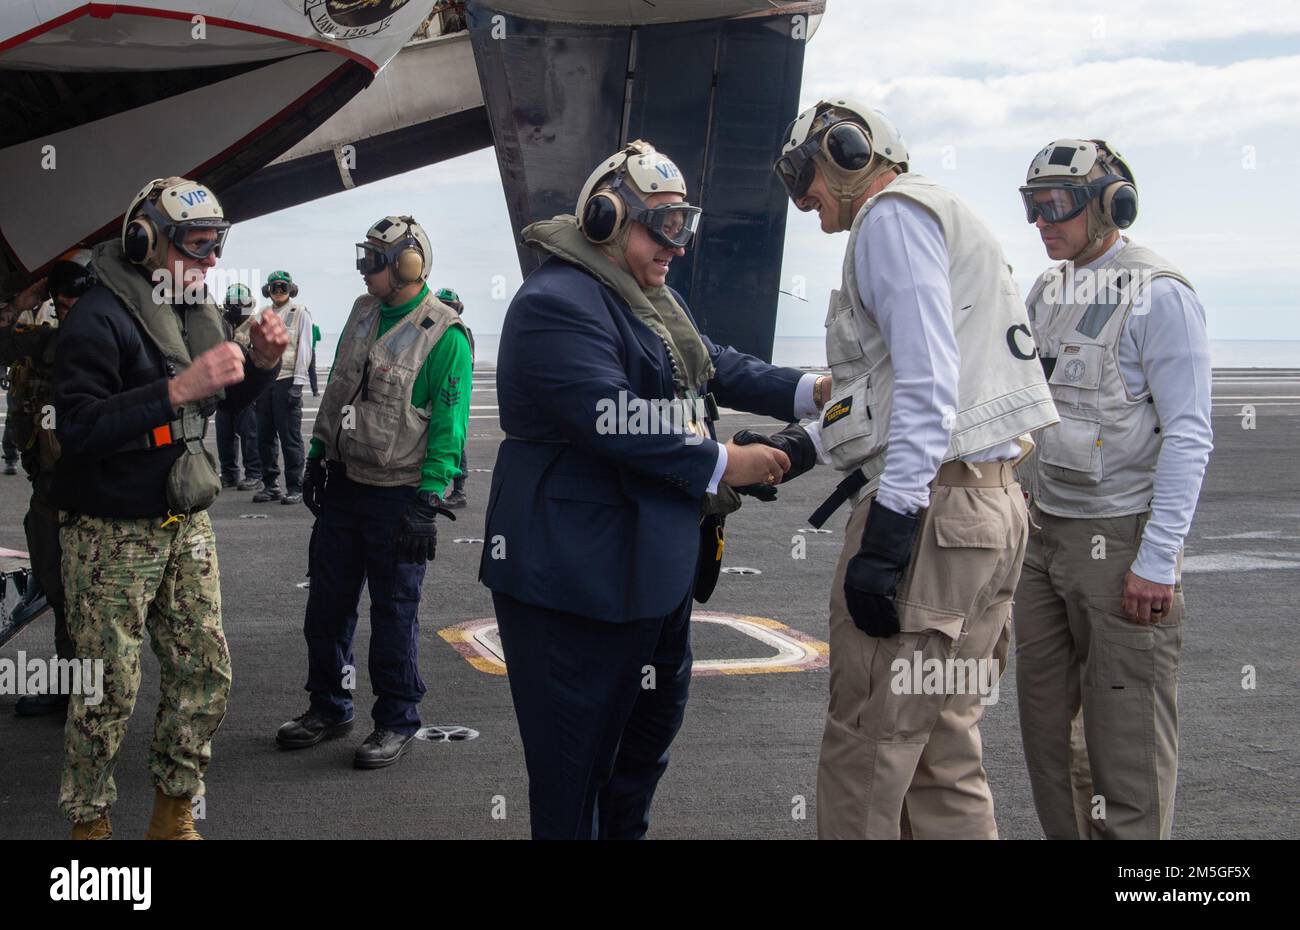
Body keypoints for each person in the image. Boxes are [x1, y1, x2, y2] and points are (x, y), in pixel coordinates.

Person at [481, 140, 826, 839]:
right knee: (573, 778)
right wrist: (726, 462)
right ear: (606, 219)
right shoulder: (556, 302)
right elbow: (616, 418)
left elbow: (710, 364)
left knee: (640, 760)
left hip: (652, 581)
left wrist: (808, 390)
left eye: (683, 227)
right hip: (577, 587)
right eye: (662, 227)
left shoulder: (645, 296)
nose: (678, 246)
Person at [772, 99, 1058, 838]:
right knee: (942, 751)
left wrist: (894, 524)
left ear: (845, 152)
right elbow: (894, 389)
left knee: (870, 743)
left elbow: (929, 381)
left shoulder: (889, 221)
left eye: (803, 177)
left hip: (935, 514)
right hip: (992, 510)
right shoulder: (945, 214)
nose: (802, 200)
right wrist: (805, 444)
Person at [53, 176, 288, 839]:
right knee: (107, 689)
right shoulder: (96, 321)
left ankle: (174, 812)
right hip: (110, 531)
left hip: (184, 519)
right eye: (197, 247)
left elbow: (221, 407)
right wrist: (173, 389)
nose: (211, 262)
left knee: (205, 670)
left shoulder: (193, 312)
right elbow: (76, 430)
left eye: (217, 247)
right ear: (146, 241)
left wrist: (261, 366)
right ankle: (91, 825)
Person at [1013, 139, 1213, 840]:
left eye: (1058, 205)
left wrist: (1157, 561)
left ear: (1111, 205)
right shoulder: (1047, 290)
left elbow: (1189, 435)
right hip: (1044, 541)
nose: (1042, 221)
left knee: (1124, 752)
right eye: (1032, 206)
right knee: (1045, 739)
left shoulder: (1160, 295)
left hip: (1123, 540)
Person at [276, 215, 472, 770]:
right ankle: (329, 707)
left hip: (398, 496)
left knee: (393, 614)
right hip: (345, 485)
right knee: (327, 607)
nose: (364, 270)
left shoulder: (444, 333)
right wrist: (317, 454)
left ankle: (396, 719)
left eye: (373, 261)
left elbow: (448, 427)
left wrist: (427, 503)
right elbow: (340, 384)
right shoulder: (363, 312)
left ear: (407, 265)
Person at [0, 258, 95, 715]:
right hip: (50, 480)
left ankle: (89, 692)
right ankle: (74, 686)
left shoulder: (82, 340)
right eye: (60, 300)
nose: (66, 306)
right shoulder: (49, 335)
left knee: (80, 590)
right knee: (58, 585)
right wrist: (22, 303)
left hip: (84, 485)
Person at [249, 270, 312, 504]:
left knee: (290, 437)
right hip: (265, 382)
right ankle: (270, 484)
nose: (278, 291)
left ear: (290, 289)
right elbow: (253, 347)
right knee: (263, 436)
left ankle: (295, 486)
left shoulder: (300, 313)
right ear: (268, 290)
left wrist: (298, 384)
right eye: (274, 287)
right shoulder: (262, 315)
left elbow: (304, 349)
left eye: (283, 287)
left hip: (287, 382)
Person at [216, 283, 263, 491]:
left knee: (249, 433)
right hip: (224, 387)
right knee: (224, 433)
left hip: (247, 388)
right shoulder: (221, 323)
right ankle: (229, 473)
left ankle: (253, 473)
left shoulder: (255, 325)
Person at [435, 287, 471, 508]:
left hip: (454, 391)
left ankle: (459, 490)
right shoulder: (436, 332)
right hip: (443, 390)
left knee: (454, 436)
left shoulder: (460, 333)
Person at [308, 320, 321, 396]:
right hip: (312, 351)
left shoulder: (303, 327)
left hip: (303, 350)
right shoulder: (316, 328)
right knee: (312, 371)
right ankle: (315, 391)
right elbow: (319, 338)